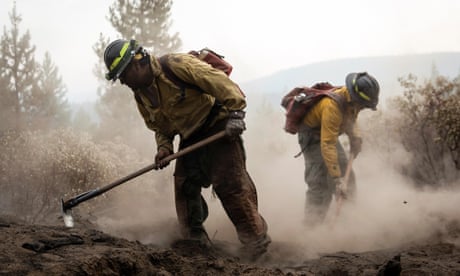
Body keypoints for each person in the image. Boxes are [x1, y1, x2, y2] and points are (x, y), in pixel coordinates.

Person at [103, 39, 270, 260]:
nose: (123, 82)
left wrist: (237, 113)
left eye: (123, 74)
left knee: (229, 186)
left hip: (217, 124)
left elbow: (218, 81)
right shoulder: (141, 94)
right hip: (191, 136)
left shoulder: (175, 64)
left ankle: (257, 244)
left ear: (136, 64)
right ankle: (196, 245)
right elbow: (159, 126)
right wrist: (164, 148)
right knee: (184, 186)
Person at [297, 72, 380, 225]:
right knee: (320, 185)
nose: (362, 108)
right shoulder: (332, 107)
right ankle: (311, 230)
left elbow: (351, 120)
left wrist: (355, 138)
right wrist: (336, 178)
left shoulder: (352, 102)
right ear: (356, 98)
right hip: (312, 138)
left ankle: (347, 224)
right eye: (362, 105)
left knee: (348, 181)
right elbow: (327, 144)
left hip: (328, 136)